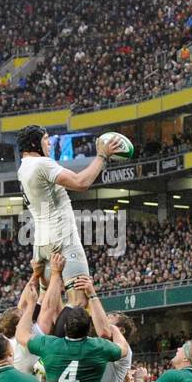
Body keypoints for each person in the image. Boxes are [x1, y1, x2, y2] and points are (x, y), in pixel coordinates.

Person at [16, 124, 121, 308]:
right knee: (79, 302)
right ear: (34, 144)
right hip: (63, 240)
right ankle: (68, 337)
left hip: (41, 244)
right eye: (46, 139)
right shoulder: (41, 163)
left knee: (48, 305)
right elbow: (81, 183)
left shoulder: (22, 168)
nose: (49, 144)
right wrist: (102, 156)